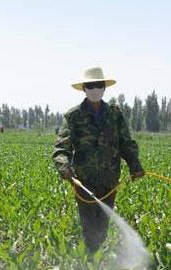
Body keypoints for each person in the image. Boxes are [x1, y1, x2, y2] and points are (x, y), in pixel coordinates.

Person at [53, 67, 145, 253]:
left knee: (102, 229)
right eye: (90, 86)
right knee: (90, 229)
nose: (95, 89)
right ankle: (89, 268)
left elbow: (126, 142)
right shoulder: (73, 116)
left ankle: (95, 262)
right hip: (84, 182)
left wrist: (135, 165)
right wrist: (65, 167)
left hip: (109, 181)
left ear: (104, 88)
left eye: (98, 85)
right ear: (84, 89)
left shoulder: (115, 114)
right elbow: (62, 147)